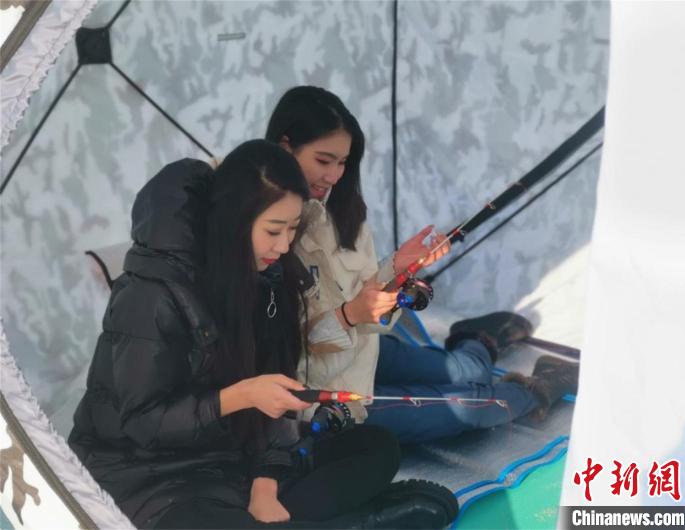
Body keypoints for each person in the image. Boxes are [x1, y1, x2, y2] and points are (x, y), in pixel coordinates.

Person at [68, 140, 457, 529]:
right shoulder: (151, 293)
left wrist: (265, 483)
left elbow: (277, 397)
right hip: (147, 476)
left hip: (229, 462)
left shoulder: (269, 279)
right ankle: (363, 521)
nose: (284, 245)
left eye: (293, 228)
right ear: (235, 221)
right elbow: (143, 423)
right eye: (273, 230)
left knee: (375, 447)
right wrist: (240, 396)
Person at [265, 86, 579, 443]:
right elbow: (286, 343)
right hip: (321, 392)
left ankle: (477, 338)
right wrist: (350, 315)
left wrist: (398, 267)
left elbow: (360, 302)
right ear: (285, 147)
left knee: (470, 371)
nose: (335, 175)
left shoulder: (335, 210)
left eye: (343, 163)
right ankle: (539, 387)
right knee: (474, 405)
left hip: (358, 349)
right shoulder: (260, 227)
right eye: (324, 161)